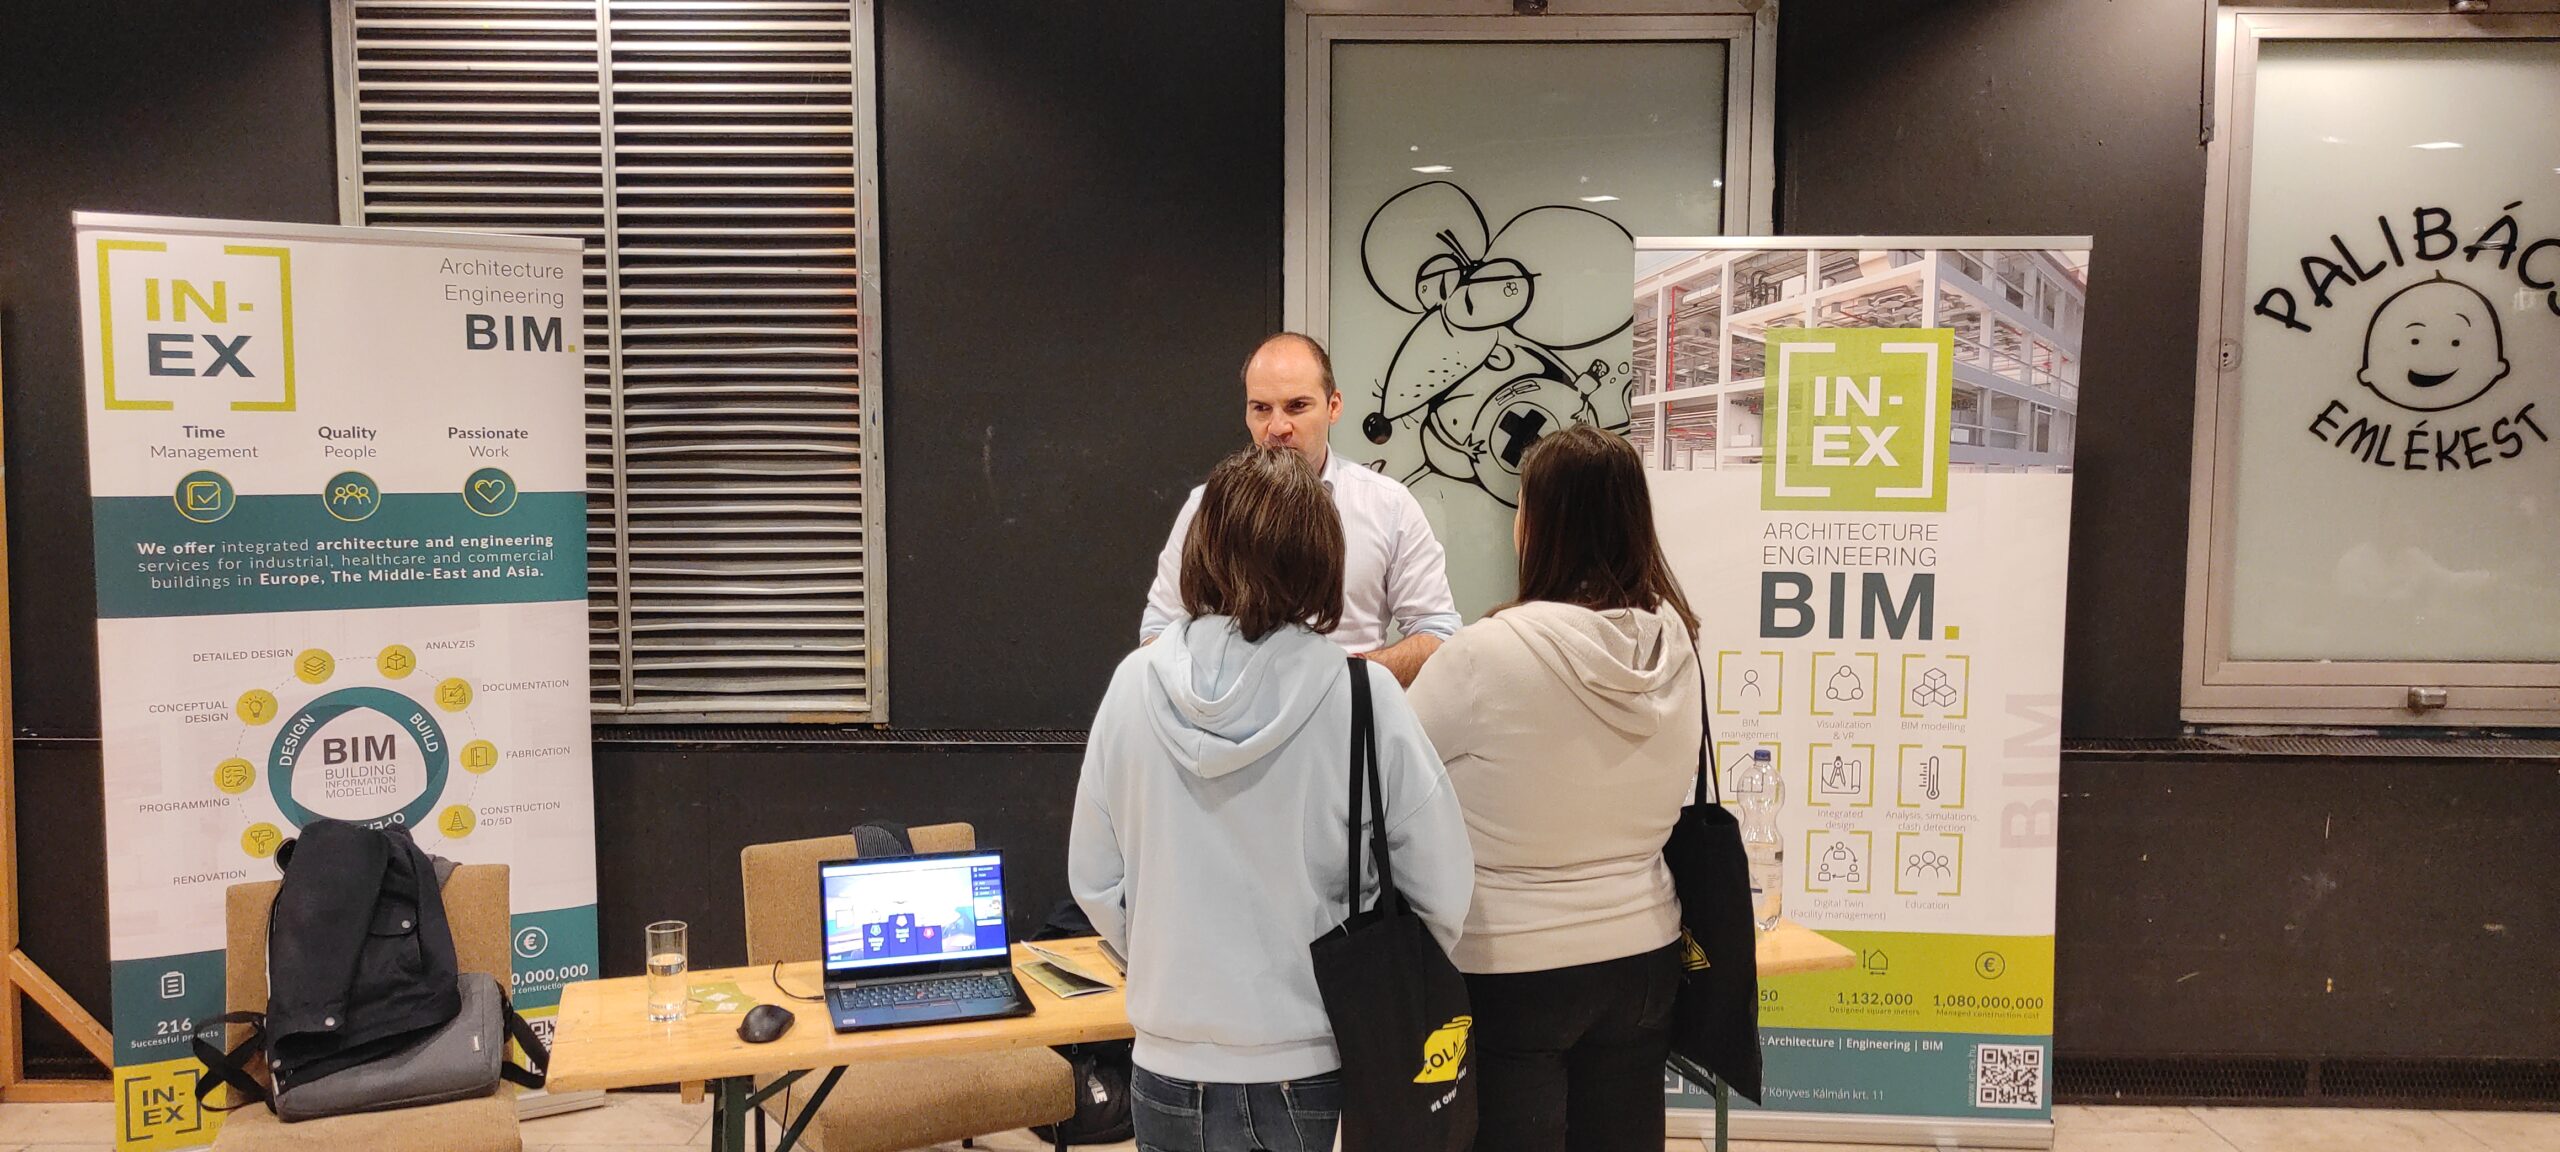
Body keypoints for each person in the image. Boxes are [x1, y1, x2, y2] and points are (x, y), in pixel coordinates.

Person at [1074, 444, 1475, 1152]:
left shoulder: (1132, 686)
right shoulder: (1362, 697)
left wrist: (1168, 957)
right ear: (1323, 556)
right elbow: (1442, 886)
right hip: (1312, 1054)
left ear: (1201, 548)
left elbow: (1096, 879)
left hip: (1166, 1057)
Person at [1404, 423, 1703, 1152]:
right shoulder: (1677, 643)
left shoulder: (1482, 656)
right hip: (1644, 956)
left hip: (1512, 967)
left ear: (1538, 525)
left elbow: (1393, 787)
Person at [1142, 332, 1458, 685]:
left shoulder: (1389, 506)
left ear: (1333, 406)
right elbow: (1159, 628)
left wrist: (1346, 676)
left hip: (1345, 712)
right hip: (1229, 716)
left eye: (1297, 406)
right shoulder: (1206, 509)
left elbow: (1438, 631)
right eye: (1261, 408)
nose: (1277, 428)